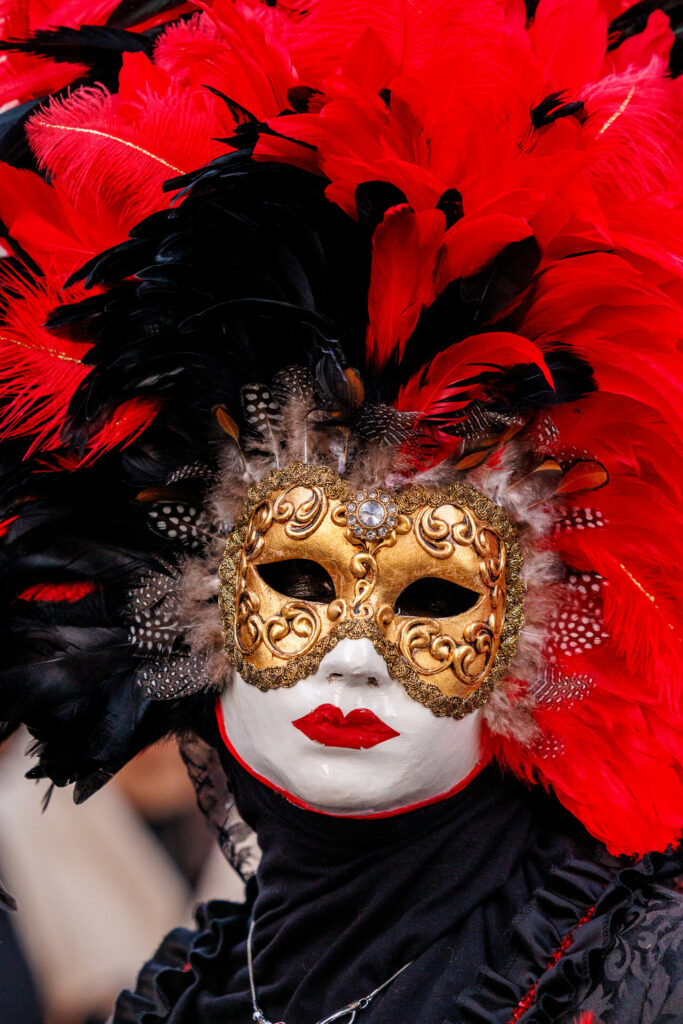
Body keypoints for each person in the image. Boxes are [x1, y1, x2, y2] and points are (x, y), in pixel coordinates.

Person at [0, 2, 682, 1023]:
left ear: (531, 638)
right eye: (298, 577)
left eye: (433, 593)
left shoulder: (633, 976)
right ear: (198, 597)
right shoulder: (199, 993)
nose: (355, 656)